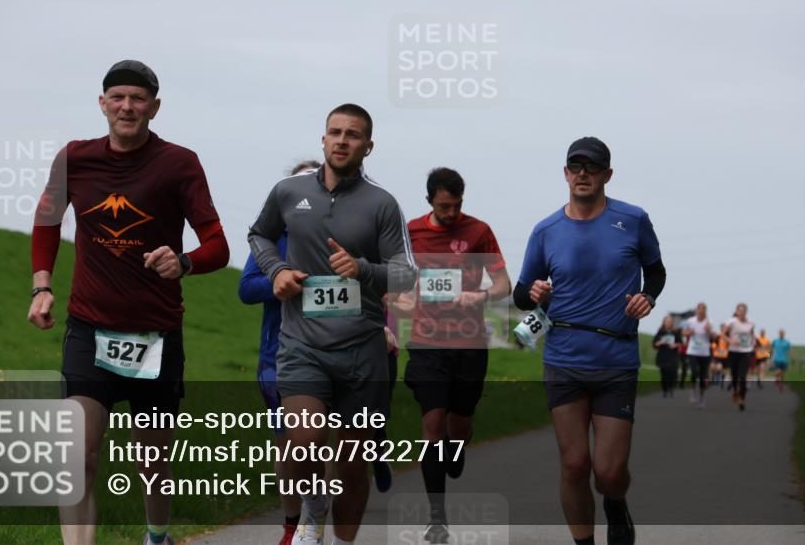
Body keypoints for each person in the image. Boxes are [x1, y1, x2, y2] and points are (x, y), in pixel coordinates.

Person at [28, 60, 230, 545]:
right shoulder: (75, 158)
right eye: (117, 97)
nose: (127, 106)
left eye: (138, 99)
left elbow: (218, 247)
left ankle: (156, 534)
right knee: (79, 454)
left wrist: (183, 262)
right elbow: (47, 220)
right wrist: (41, 285)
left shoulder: (180, 163)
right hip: (88, 329)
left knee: (153, 462)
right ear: (102, 104)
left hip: (155, 334)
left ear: (154, 108)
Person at [247, 104, 417, 545]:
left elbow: (406, 273)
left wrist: (362, 269)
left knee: (351, 461)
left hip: (362, 348)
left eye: (353, 135)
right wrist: (277, 270)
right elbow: (259, 234)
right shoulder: (288, 192)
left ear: (368, 146)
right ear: (322, 139)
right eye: (335, 132)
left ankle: (342, 540)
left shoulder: (382, 204)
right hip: (302, 343)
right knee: (302, 440)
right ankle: (313, 505)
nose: (342, 140)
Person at [513, 137, 666, 545]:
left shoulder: (633, 219)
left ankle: (615, 504)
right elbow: (520, 293)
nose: (582, 174)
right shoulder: (546, 230)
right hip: (564, 357)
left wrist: (647, 297)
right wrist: (536, 294)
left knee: (609, 472)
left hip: (616, 357)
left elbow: (656, 272)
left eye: (591, 167)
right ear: (565, 174)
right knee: (575, 463)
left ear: (606, 175)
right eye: (575, 167)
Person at [400, 167, 511, 543]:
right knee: (432, 423)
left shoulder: (478, 231)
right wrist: (398, 298)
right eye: (444, 206)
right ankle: (437, 518)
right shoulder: (411, 232)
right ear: (429, 200)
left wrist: (479, 295)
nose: (451, 214)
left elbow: (502, 284)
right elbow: (393, 280)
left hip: (469, 343)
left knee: (457, 425)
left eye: (457, 206)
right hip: (427, 342)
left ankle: (458, 442)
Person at [239, 160, 320, 545]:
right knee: (292, 442)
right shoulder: (271, 239)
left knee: (321, 442)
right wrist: (278, 280)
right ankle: (293, 525)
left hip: (333, 353)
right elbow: (245, 288)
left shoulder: (344, 235)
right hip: (279, 354)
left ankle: (315, 520)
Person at [724, 304, 756, 411]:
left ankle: (742, 399)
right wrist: (730, 340)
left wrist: (752, 341)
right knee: (734, 376)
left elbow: (752, 334)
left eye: (743, 311)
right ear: (736, 312)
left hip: (746, 351)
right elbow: (723, 334)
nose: (741, 312)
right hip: (733, 351)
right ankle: (735, 391)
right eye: (739, 310)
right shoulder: (731, 322)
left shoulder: (751, 323)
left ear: (746, 312)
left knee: (742, 377)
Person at [682, 303, 712, 409]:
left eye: (703, 310)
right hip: (692, 351)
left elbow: (713, 336)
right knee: (694, 372)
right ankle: (693, 390)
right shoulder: (690, 321)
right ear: (696, 310)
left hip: (704, 352)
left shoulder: (708, 322)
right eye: (699, 309)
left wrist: (709, 330)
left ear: (705, 311)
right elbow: (683, 332)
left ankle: (702, 398)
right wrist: (689, 332)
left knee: (703, 376)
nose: (700, 311)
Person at [652, 315, 680, 398]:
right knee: (664, 375)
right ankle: (665, 391)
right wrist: (661, 342)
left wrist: (675, 345)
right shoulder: (660, 332)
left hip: (673, 357)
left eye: (670, 321)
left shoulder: (676, 332)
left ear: (672, 323)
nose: (668, 323)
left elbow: (680, 343)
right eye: (667, 321)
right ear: (664, 322)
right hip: (663, 356)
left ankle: (671, 388)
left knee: (672, 374)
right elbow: (654, 344)